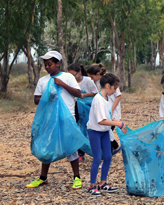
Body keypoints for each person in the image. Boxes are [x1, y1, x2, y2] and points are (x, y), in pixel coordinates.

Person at [26, 51, 83, 189]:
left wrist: (62, 84)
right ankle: (43, 178)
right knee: (46, 146)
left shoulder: (67, 77)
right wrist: (47, 97)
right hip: (48, 118)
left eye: (50, 64)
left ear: (58, 64)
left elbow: (78, 94)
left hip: (67, 117)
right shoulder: (43, 81)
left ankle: (77, 177)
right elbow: (36, 100)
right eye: (45, 65)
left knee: (71, 147)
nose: (47, 67)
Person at [86, 73, 127, 196]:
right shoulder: (98, 99)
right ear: (108, 86)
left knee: (108, 156)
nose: (115, 91)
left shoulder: (107, 99)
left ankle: (103, 183)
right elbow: (101, 120)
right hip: (95, 131)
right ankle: (92, 185)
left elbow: (107, 116)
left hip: (104, 131)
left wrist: (117, 122)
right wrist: (118, 123)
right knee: (97, 158)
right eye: (114, 88)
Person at [87, 63, 122, 155]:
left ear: (97, 74)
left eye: (92, 77)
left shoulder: (110, 80)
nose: (92, 80)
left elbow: (118, 96)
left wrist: (111, 110)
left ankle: (109, 154)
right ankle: (113, 150)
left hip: (112, 114)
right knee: (108, 134)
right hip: (105, 112)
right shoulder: (99, 83)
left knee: (108, 134)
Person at [68, 63, 99, 163]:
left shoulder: (88, 81)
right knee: (79, 128)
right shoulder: (71, 82)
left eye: (73, 74)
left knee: (89, 128)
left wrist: (84, 95)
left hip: (89, 108)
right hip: (78, 108)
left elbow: (95, 93)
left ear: (79, 72)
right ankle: (80, 153)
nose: (72, 77)